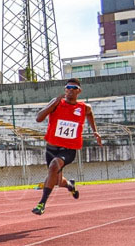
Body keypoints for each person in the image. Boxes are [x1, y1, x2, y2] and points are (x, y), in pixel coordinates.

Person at [31, 78, 102, 215]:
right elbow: (39, 118)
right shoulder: (57, 103)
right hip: (52, 148)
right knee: (57, 180)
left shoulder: (84, 107)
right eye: (68, 87)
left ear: (79, 91)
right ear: (65, 90)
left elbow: (90, 114)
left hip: (69, 149)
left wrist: (95, 131)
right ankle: (69, 185)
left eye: (74, 88)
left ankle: (41, 204)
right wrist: (53, 105)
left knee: (53, 166)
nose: (70, 90)